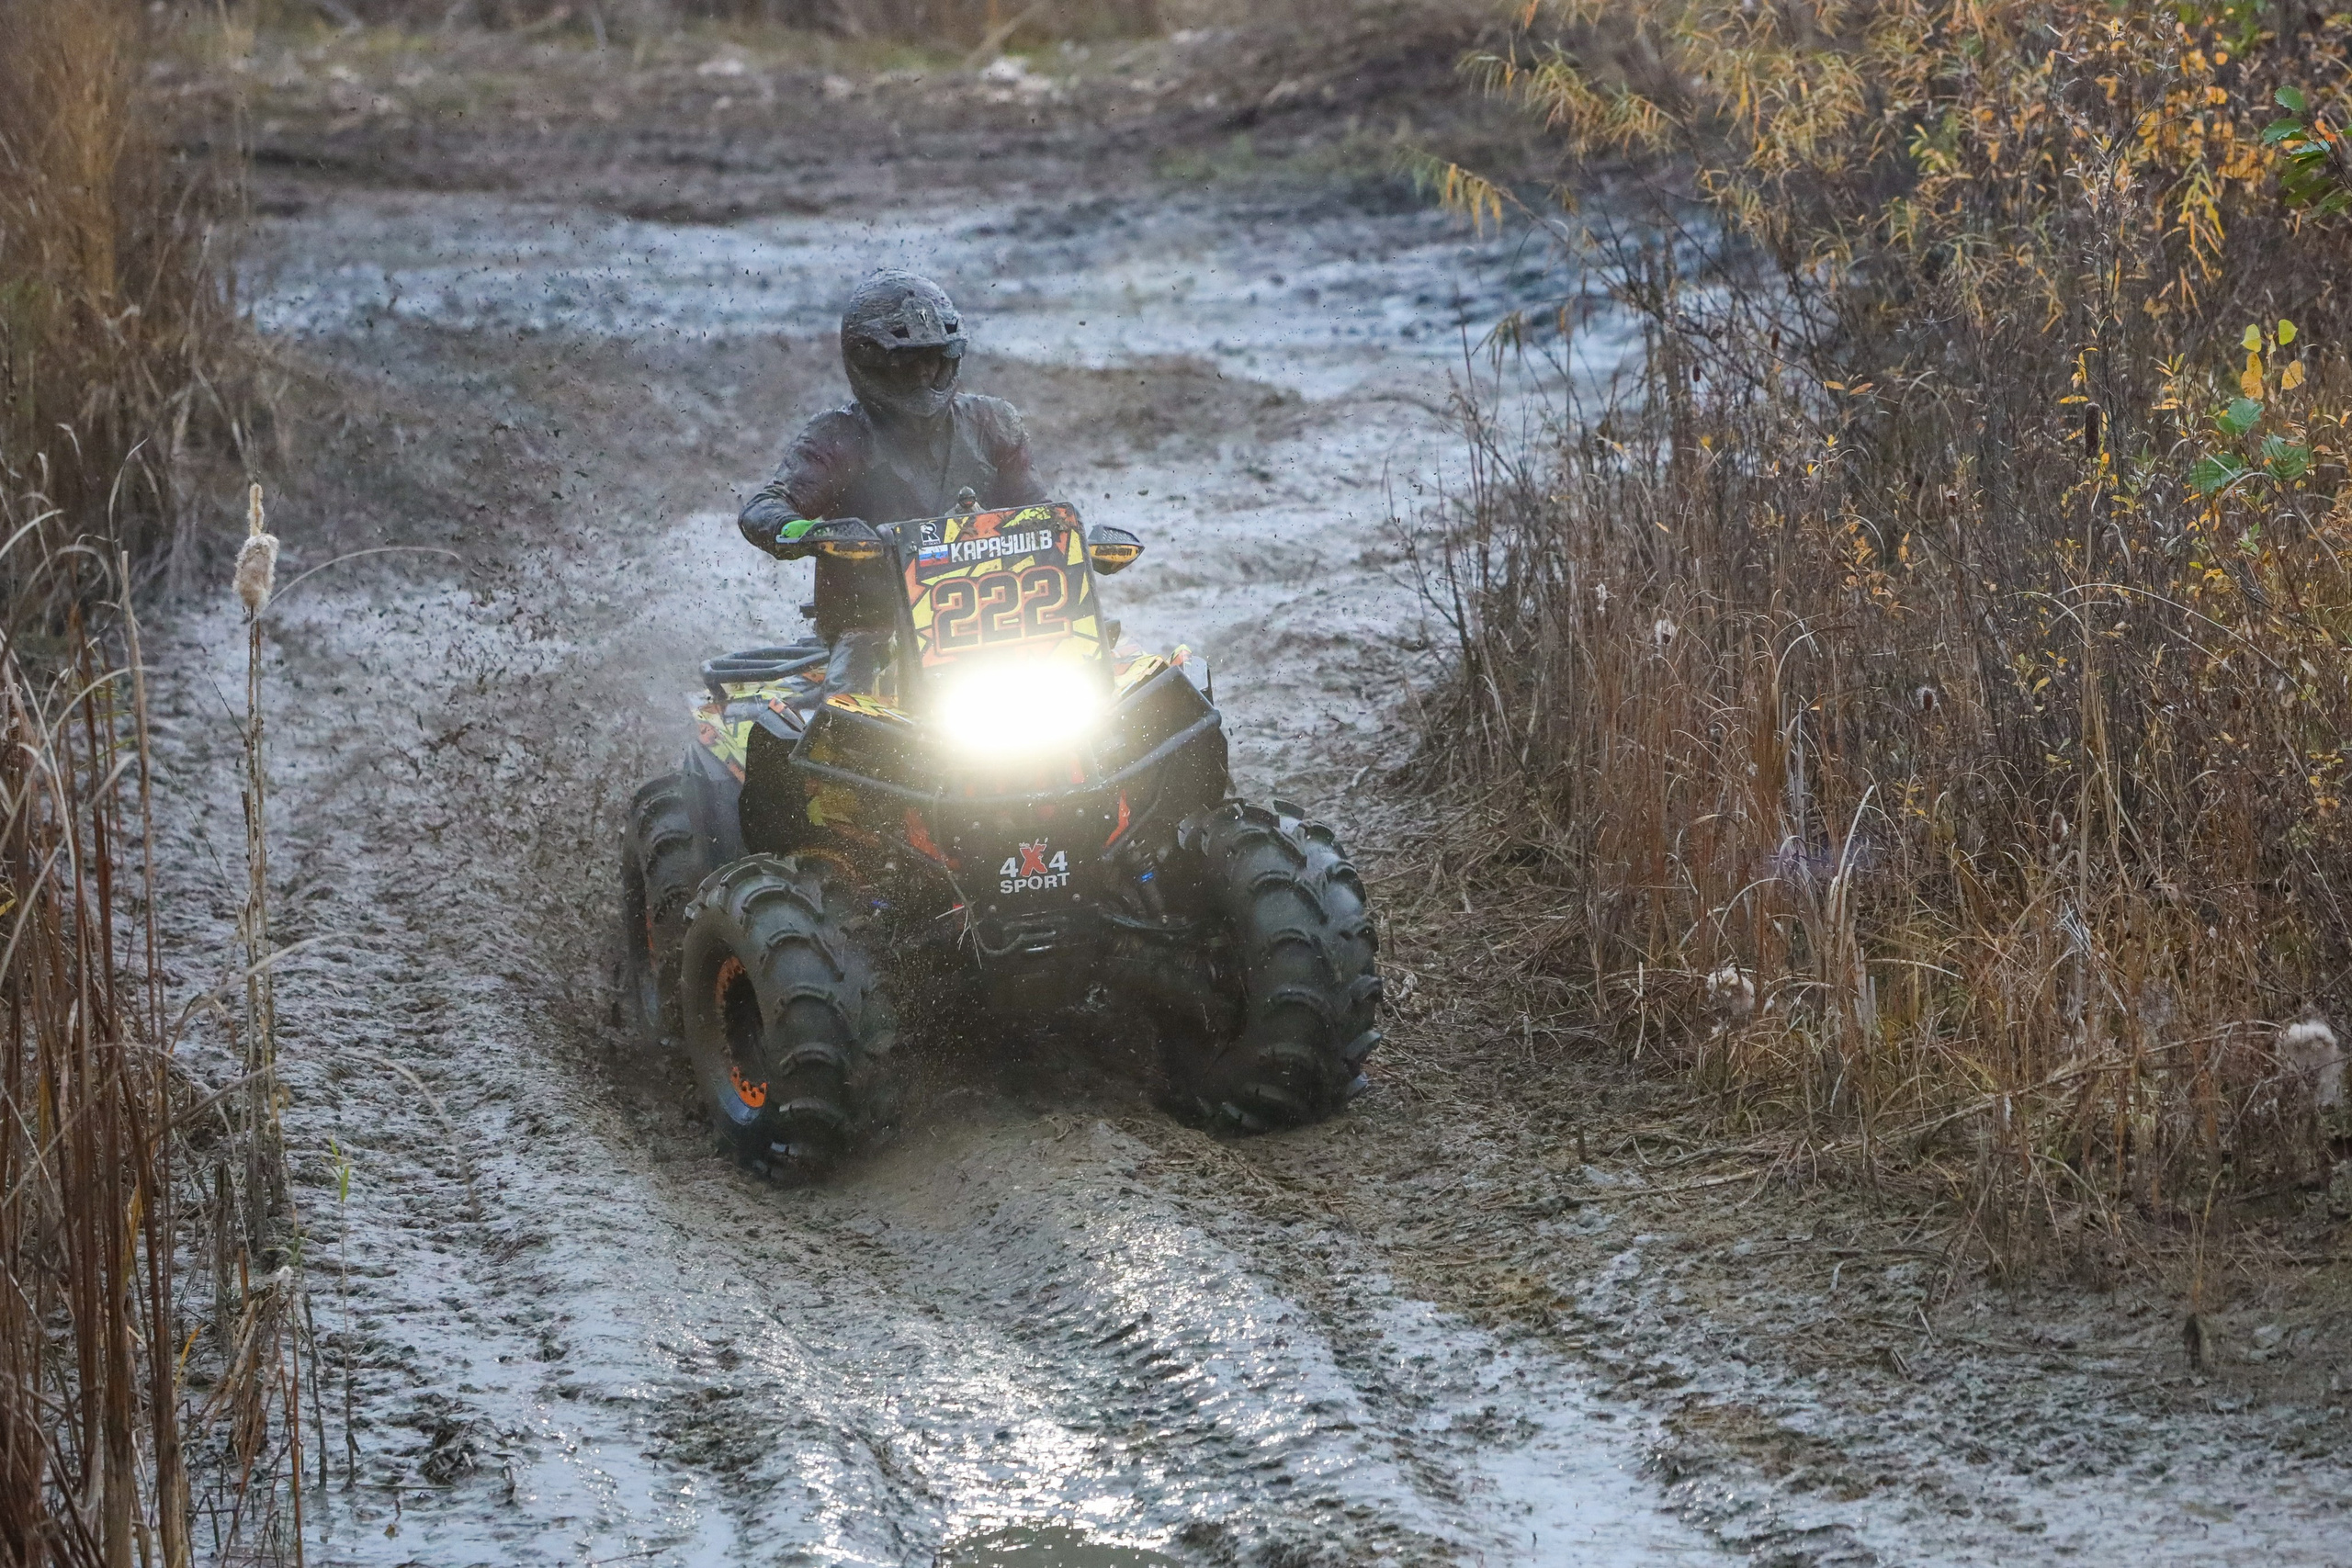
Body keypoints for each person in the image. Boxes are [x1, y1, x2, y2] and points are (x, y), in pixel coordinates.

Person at [738, 269, 1049, 695]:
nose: (921, 374)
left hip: (991, 620)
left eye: (932, 358)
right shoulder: (838, 436)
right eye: (904, 361)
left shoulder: (995, 424)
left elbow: (1042, 514)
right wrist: (809, 533)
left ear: (950, 358)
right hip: (872, 628)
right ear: (869, 363)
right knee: (845, 707)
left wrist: (1081, 544)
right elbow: (763, 508)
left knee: (1094, 683)